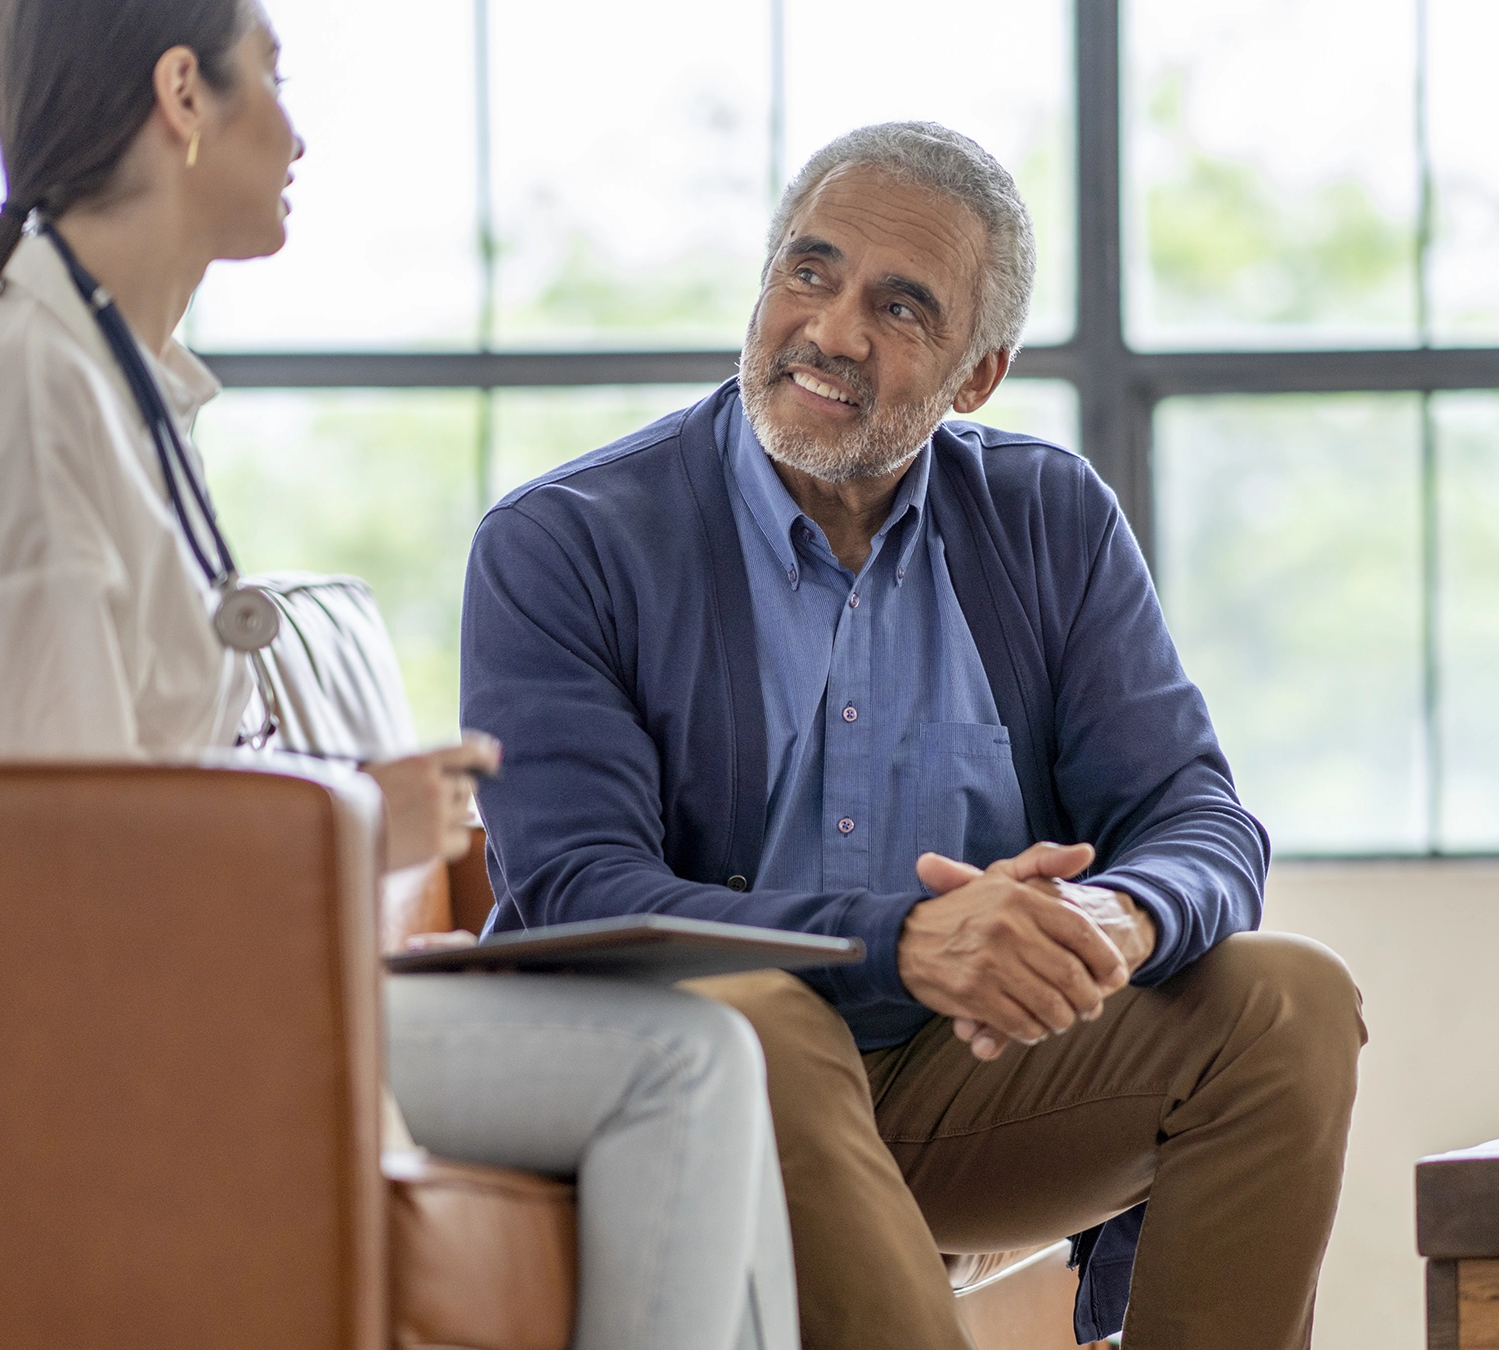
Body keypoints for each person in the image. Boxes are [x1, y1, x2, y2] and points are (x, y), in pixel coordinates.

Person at [0, 4, 796, 1347]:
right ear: (181, 97)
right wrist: (355, 820)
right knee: (684, 1067)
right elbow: (40, 863)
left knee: (720, 1032)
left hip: (148, 975)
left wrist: (345, 822)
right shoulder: (22, 398)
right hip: (26, 1022)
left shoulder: (104, 383)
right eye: (273, 77)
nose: (298, 127)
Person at [460, 121, 1367, 1350]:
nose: (832, 332)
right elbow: (579, 895)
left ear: (975, 375)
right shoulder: (564, 542)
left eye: (899, 308)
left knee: (1290, 999)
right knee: (763, 1018)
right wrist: (908, 941)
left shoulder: (1046, 517)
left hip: (951, 1080)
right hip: (675, 1076)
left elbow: (1197, 819)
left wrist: (1116, 919)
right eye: (809, 272)